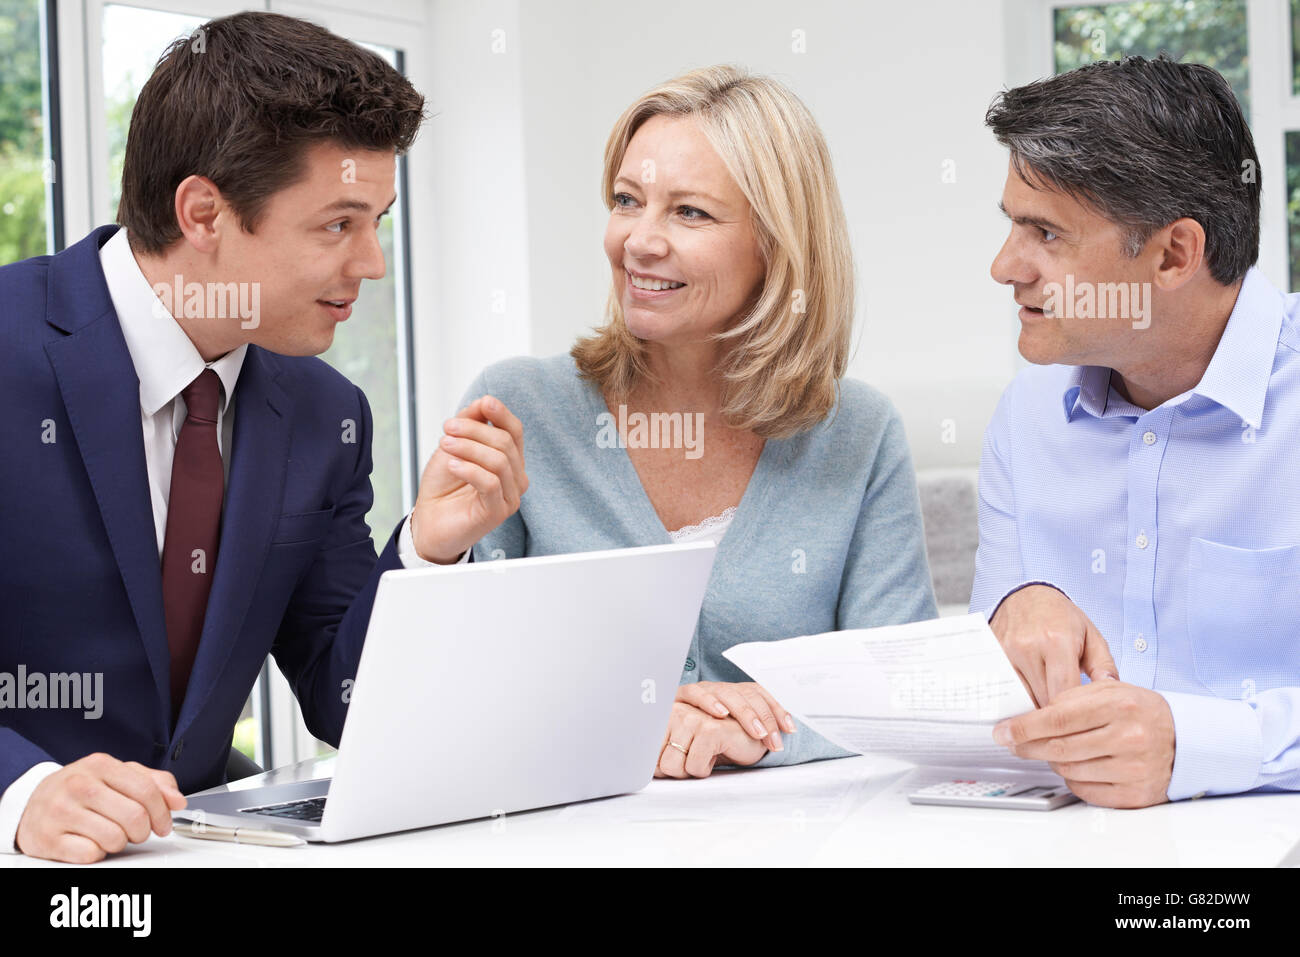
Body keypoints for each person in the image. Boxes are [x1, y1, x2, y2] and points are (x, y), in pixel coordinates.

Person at [0, 12, 528, 863]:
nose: (372, 264)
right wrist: (21, 792)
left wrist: (428, 554)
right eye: (338, 224)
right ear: (204, 212)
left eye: (378, 223)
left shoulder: (323, 415)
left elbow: (343, 697)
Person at [454, 65, 936, 778]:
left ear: (776, 245)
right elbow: (467, 679)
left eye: (690, 212)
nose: (638, 241)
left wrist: (755, 731)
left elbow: (900, 688)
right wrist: (633, 714)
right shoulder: (520, 406)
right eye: (627, 200)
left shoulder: (857, 432)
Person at [975, 55, 1300, 808]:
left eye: (1046, 234)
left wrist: (1196, 744)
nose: (1003, 266)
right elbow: (989, 709)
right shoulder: (1027, 418)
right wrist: (1004, 618)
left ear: (1174, 255)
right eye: (1011, 226)